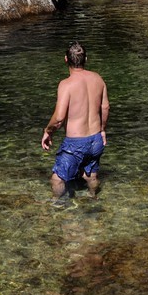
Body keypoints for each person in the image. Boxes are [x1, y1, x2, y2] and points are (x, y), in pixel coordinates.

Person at [41, 42, 109, 199]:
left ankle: (56, 205)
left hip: (75, 143)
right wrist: (103, 130)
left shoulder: (66, 85)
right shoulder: (98, 79)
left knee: (57, 179)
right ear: (86, 58)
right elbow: (105, 108)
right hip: (96, 139)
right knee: (90, 175)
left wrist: (47, 131)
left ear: (66, 59)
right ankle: (94, 198)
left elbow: (58, 119)